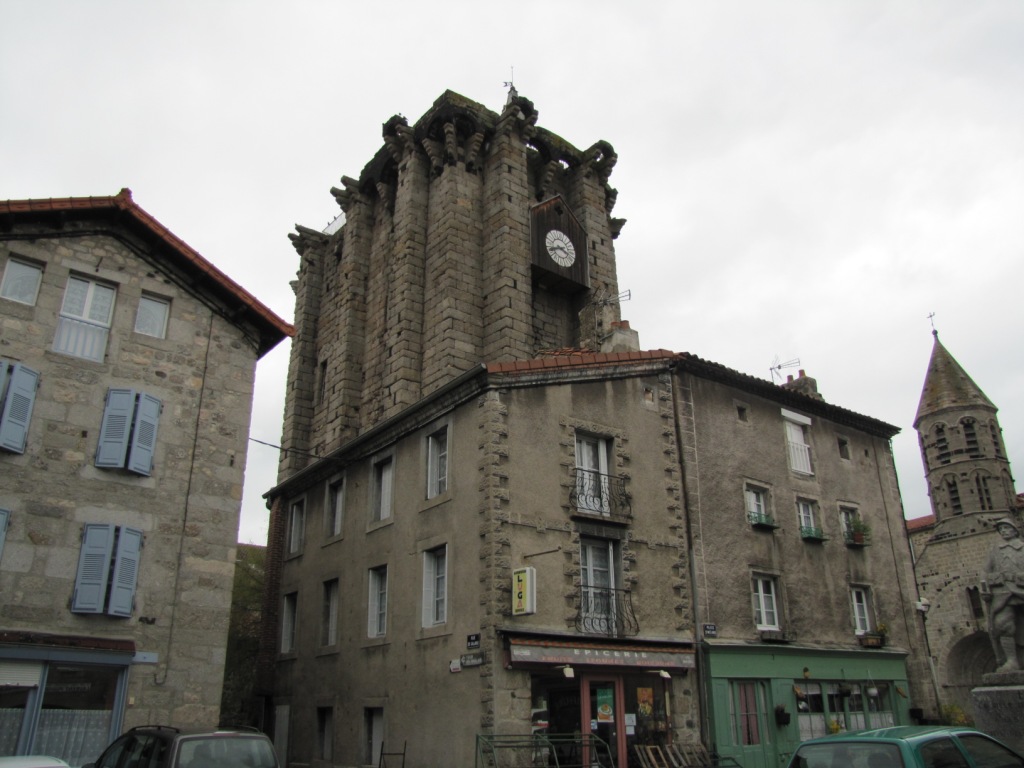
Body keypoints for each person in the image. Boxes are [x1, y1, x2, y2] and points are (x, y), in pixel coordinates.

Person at [982, 518, 1024, 672]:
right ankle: (1012, 661)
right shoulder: (995, 550)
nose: (1003, 531)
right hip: (1002, 592)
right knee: (1002, 625)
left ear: (1015, 530)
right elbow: (985, 570)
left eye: (1006, 528)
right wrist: (984, 588)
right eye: (1001, 529)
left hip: (1021, 589)